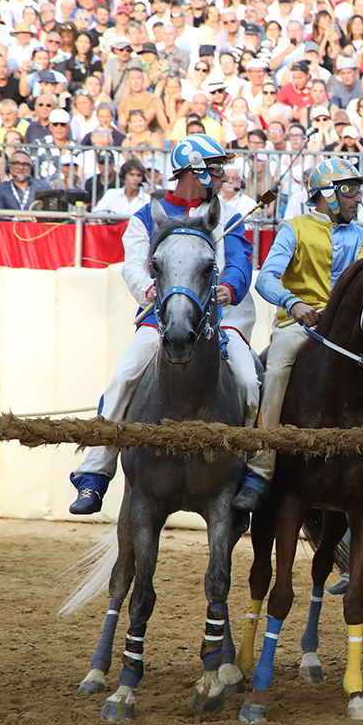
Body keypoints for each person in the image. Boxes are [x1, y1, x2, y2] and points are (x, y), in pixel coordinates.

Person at [70, 135, 259, 514]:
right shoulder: (146, 215)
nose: (223, 176)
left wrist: (228, 288)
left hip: (221, 323)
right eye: (217, 168)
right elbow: (133, 266)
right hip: (163, 319)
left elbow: (240, 261)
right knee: (124, 377)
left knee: (249, 384)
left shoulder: (230, 215)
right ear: (196, 171)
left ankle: (249, 472)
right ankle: (94, 473)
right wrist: (150, 292)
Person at [232, 158, 363, 517]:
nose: (358, 197)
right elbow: (266, 278)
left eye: (358, 190)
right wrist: (293, 304)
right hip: (299, 325)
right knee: (275, 370)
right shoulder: (293, 228)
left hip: (349, 331)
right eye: (351, 190)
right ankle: (261, 469)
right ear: (328, 195)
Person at [0, 150, 48, 215]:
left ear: (31, 167)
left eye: (25, 164)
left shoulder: (43, 187)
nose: (21, 167)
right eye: (16, 164)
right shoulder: (0, 189)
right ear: (9, 166)